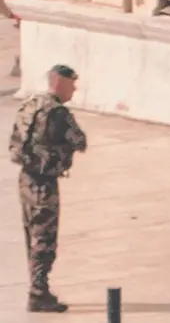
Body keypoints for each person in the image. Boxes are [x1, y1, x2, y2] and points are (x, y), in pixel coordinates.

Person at [8, 64, 87, 312]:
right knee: (44, 239)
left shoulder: (31, 104)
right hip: (44, 184)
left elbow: (15, 142)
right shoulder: (58, 113)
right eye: (71, 84)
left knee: (31, 235)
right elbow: (80, 140)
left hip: (25, 180)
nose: (74, 89)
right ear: (59, 82)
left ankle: (37, 286)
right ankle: (38, 293)